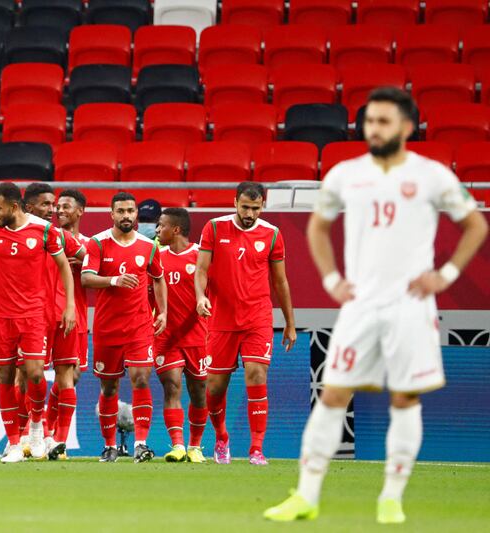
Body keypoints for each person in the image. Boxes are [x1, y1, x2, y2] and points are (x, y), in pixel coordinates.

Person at [265, 87, 488, 524]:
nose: (374, 129)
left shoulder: (433, 175)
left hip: (411, 305)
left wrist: (446, 276)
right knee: (332, 394)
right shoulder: (346, 175)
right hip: (361, 305)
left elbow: (475, 224)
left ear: (406, 127)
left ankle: (392, 497)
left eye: (384, 122)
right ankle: (306, 495)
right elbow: (318, 227)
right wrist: (331, 279)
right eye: (369, 122)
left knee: (405, 398)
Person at [0, 182, 76, 463]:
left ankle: (36, 426)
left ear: (13, 207)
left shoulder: (43, 231)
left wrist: (70, 304)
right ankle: (13, 443)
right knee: (4, 377)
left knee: (36, 374)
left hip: (34, 315)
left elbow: (64, 265)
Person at [195, 181, 297, 466]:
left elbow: (280, 281)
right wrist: (200, 297)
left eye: (255, 208)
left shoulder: (273, 234)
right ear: (235, 202)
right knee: (214, 388)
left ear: (262, 205)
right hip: (221, 319)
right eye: (245, 207)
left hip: (257, 318)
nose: (250, 213)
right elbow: (201, 270)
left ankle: (256, 448)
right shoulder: (214, 228)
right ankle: (222, 438)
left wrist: (290, 322)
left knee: (256, 375)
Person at [81, 192, 168, 463]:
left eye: (131, 211)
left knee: (141, 378)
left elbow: (159, 278)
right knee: (109, 388)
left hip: (139, 326)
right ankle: (109, 446)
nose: (127, 215)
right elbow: (86, 278)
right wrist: (114, 281)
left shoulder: (148, 246)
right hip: (108, 328)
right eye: (121, 211)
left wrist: (163, 311)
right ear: (112, 214)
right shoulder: (98, 243)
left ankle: (141, 443)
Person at [154, 208, 208, 464]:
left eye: (160, 225)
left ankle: (195, 446)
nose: (156, 230)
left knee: (198, 392)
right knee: (171, 387)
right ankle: (177, 444)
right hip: (166, 336)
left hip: (198, 335)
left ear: (175, 229)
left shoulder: (201, 257)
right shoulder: (156, 257)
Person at [46, 189, 89, 460]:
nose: (60, 211)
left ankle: (54, 436)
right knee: (30, 374)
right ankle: (41, 435)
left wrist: (85, 264)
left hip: (76, 314)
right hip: (44, 312)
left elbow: (102, 270)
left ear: (81, 211)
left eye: (66, 206)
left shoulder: (90, 244)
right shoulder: (47, 238)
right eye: (57, 207)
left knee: (71, 377)